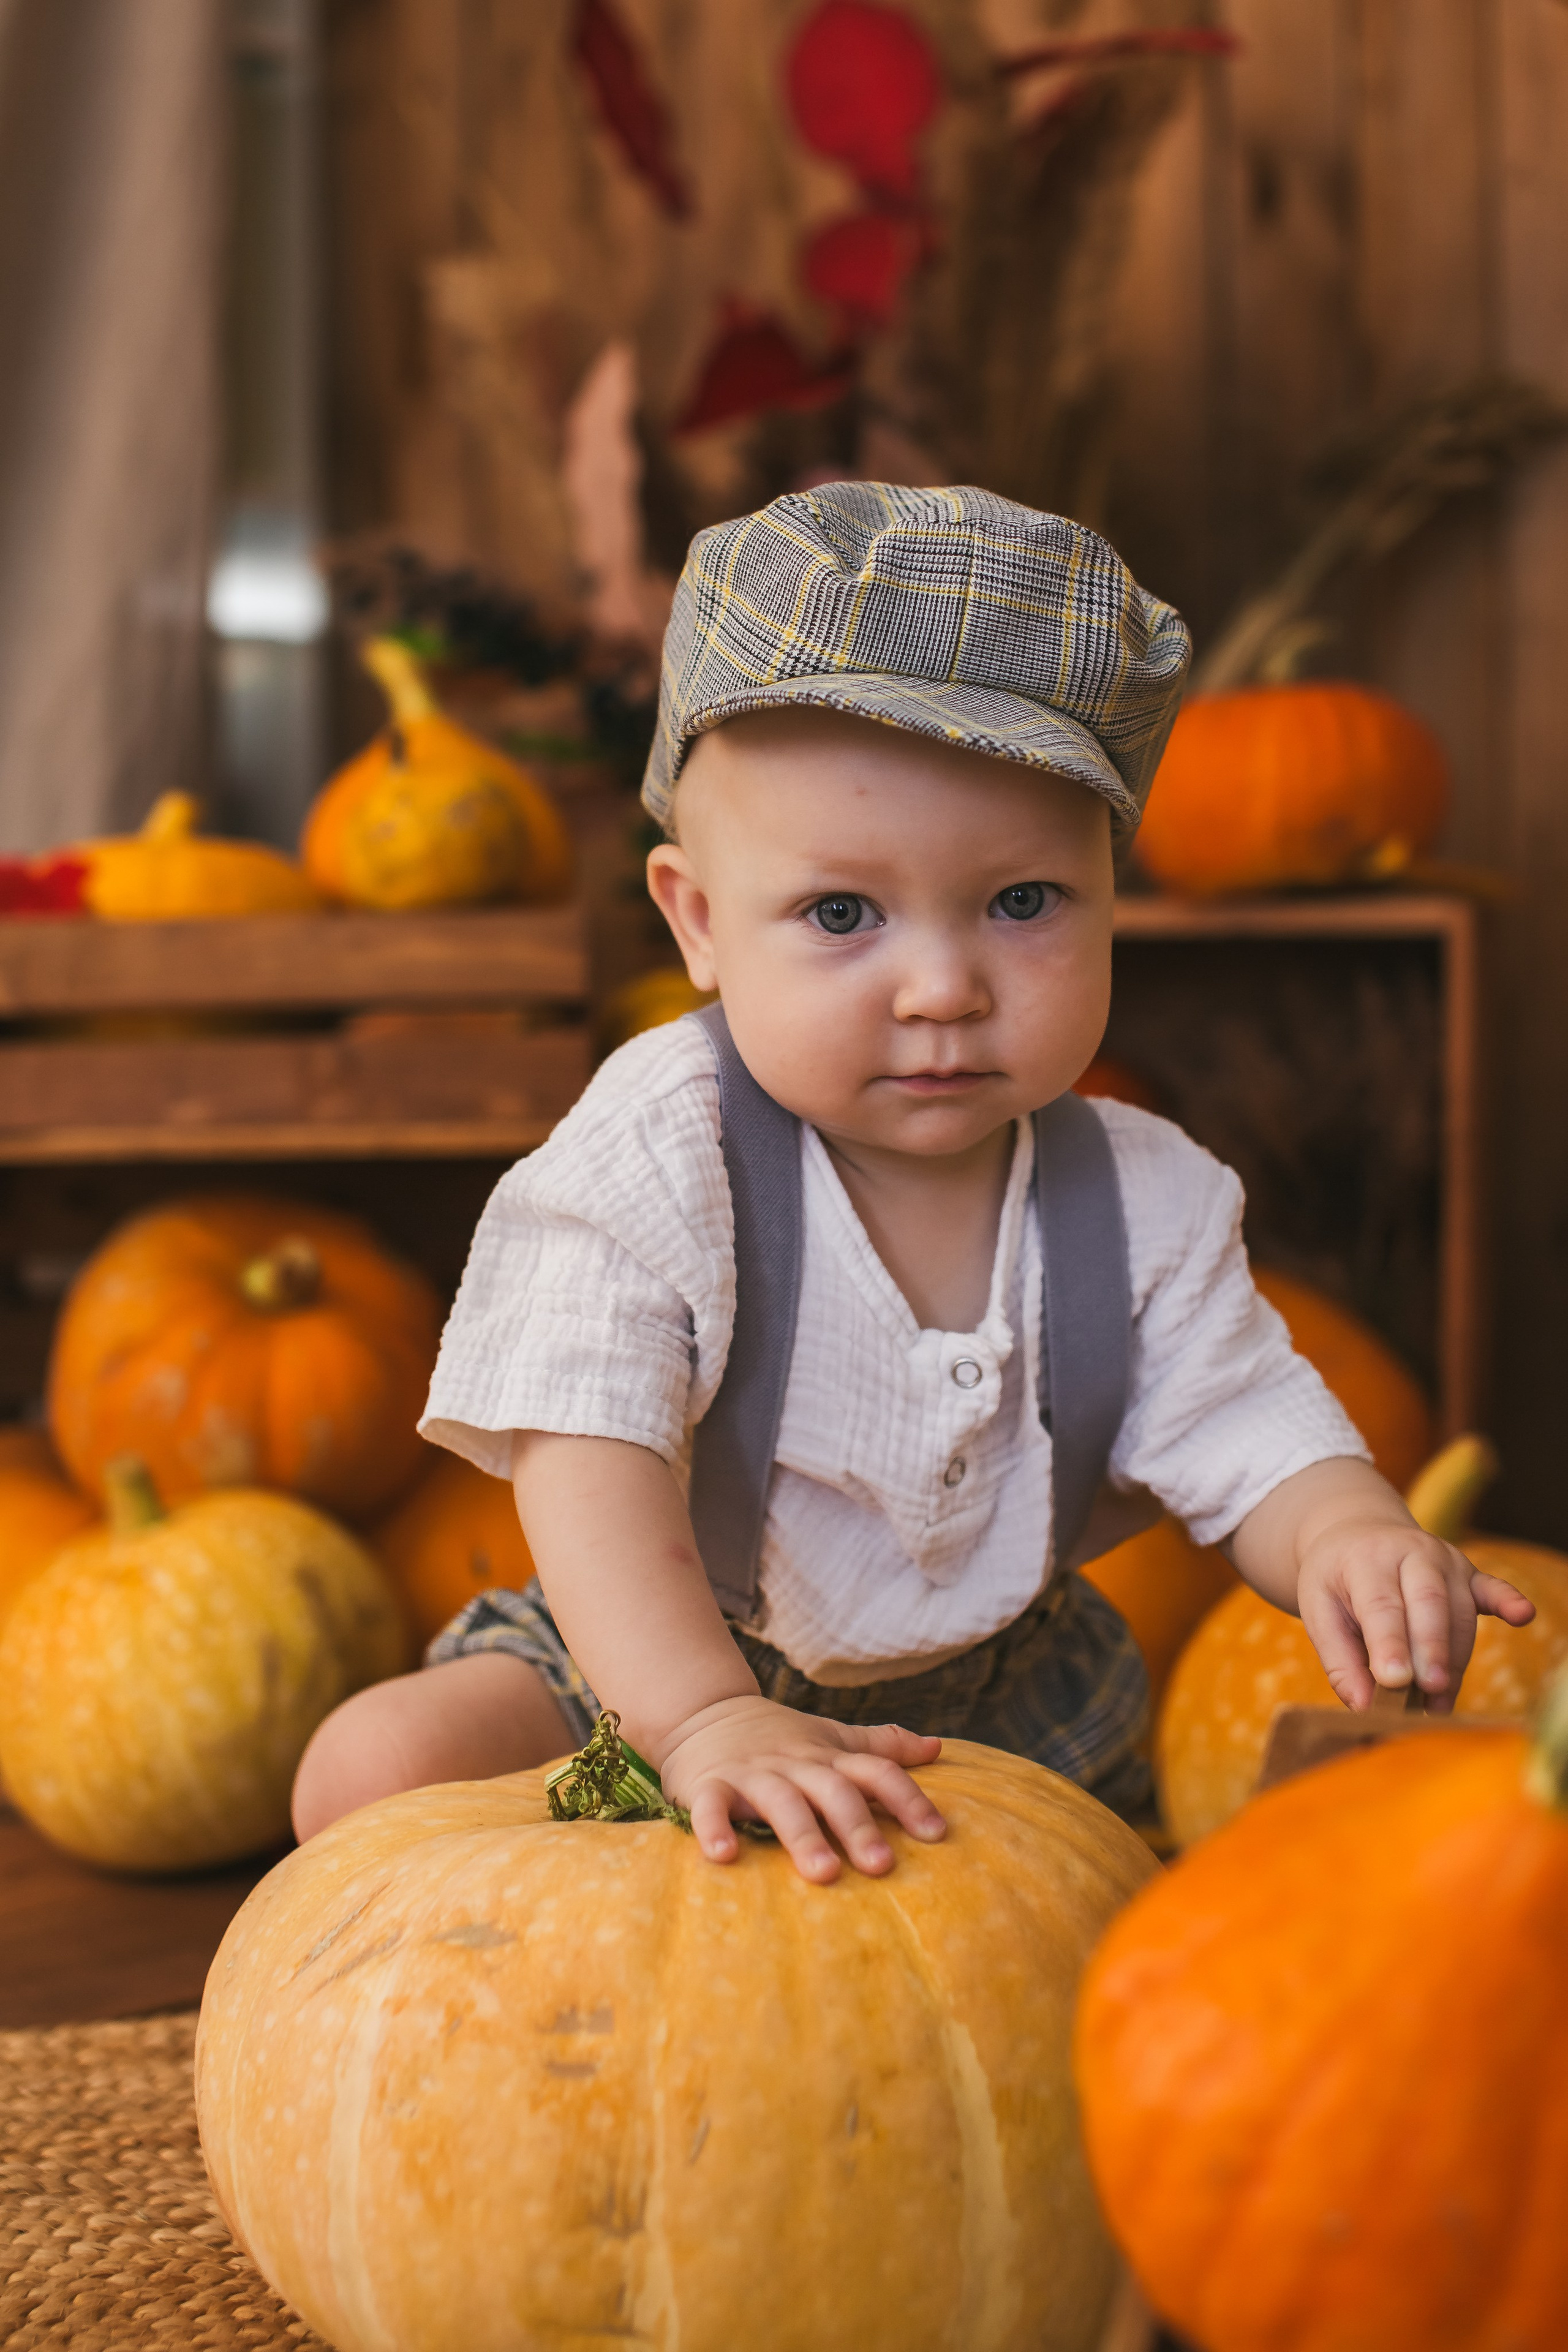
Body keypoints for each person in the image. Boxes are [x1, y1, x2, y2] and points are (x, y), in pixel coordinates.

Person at [293, 483, 1532, 1882]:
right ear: (696, 922)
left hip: (1000, 1707)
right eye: (840, 915)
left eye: (1021, 904)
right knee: (371, 1772)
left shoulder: (1143, 1196)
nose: (942, 988)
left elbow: (1246, 1431)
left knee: (1055, 1942)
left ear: (1108, 894)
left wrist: (1346, 1533)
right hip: (644, 1659)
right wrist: (702, 1717)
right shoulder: (664, 1140)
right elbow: (591, 1455)